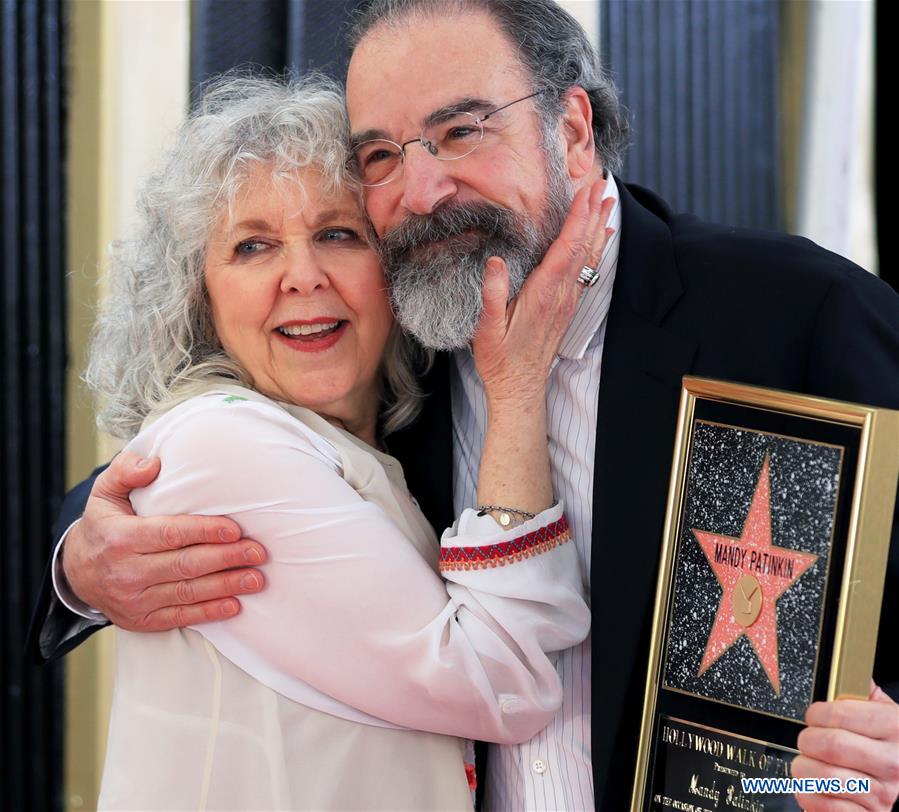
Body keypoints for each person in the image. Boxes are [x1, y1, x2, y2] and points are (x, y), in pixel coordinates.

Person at [31, 1, 899, 810]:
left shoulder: (792, 318)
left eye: (459, 130)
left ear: (571, 128)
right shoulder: (395, 335)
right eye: (380, 155)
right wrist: (83, 561)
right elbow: (207, 464)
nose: (421, 191)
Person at [72, 72, 618, 810]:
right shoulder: (223, 445)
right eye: (252, 247)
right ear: (196, 295)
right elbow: (503, 683)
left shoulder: (368, 434)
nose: (303, 276)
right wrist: (517, 391)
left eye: (337, 234)